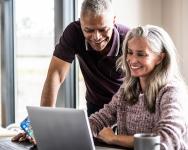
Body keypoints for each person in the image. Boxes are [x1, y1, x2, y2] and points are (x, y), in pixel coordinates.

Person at [12, 0, 129, 143]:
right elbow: (55, 74)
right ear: (81, 24)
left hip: (126, 107)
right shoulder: (74, 32)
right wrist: (42, 128)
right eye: (89, 30)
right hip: (96, 108)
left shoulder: (129, 39)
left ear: (114, 20)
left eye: (103, 29)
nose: (96, 37)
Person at [89, 25, 188, 150]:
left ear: (160, 58)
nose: (132, 60)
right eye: (130, 52)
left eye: (141, 54)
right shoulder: (127, 89)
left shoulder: (172, 92)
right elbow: (101, 119)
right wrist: (74, 130)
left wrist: (114, 138)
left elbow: (164, 140)